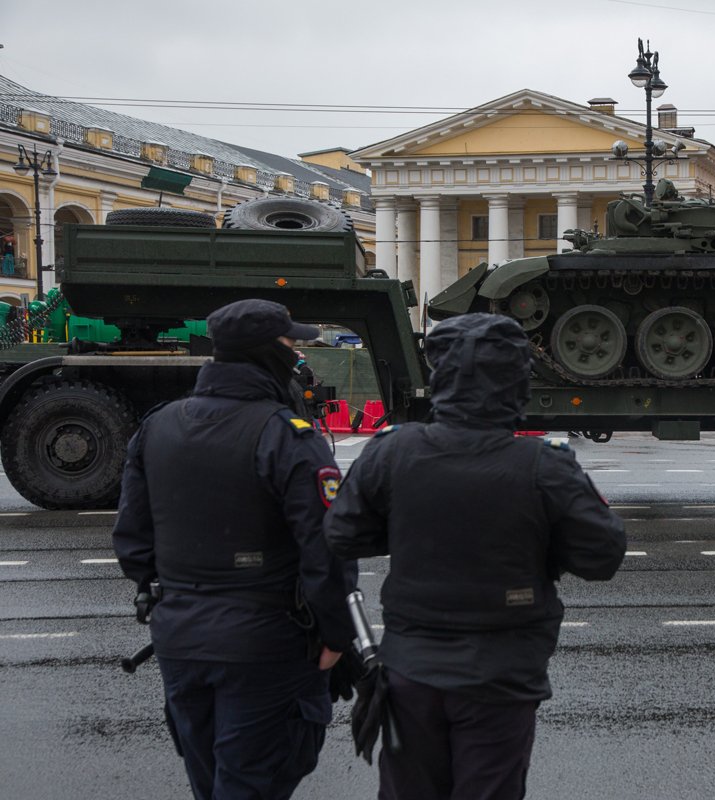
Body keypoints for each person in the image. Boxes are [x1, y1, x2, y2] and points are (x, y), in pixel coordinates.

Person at [324, 312, 626, 800]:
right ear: (515, 382)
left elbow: (342, 534)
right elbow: (603, 555)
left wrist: (404, 529)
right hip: (501, 675)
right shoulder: (543, 466)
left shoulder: (392, 452)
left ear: (440, 378)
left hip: (412, 669)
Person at [112, 298, 358, 800]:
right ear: (269, 353)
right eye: (290, 344)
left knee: (212, 782)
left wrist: (174, 597)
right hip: (267, 642)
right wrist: (336, 636)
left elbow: (132, 541)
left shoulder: (159, 425)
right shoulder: (287, 436)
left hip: (179, 635)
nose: (297, 355)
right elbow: (327, 548)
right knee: (254, 780)